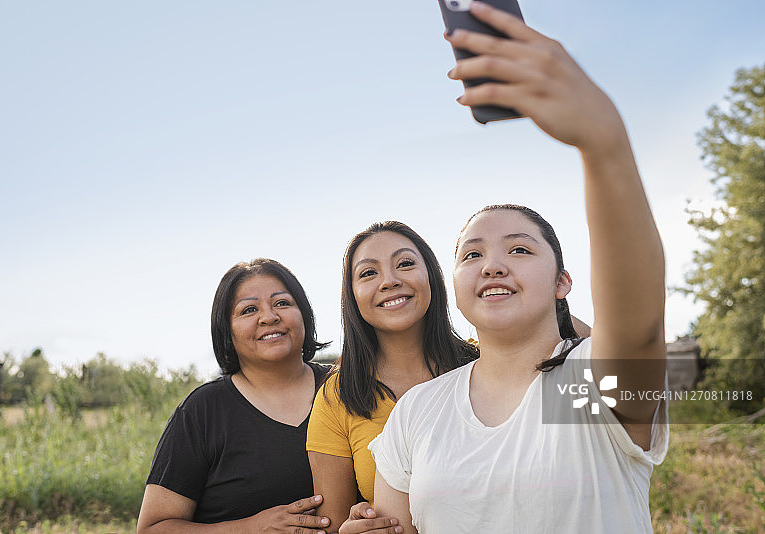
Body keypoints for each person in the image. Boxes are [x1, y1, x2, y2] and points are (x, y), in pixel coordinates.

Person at [368, 3, 669, 533]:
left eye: (521, 250)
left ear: (562, 282)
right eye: (472, 254)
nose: (493, 265)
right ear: (453, 286)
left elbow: (639, 314)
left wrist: (604, 142)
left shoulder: (594, 382)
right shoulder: (416, 411)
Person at [306, 222, 590, 533]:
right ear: (352, 295)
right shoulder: (341, 394)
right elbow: (330, 526)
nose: (389, 281)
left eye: (405, 264)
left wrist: (541, 296)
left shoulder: (488, 361)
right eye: (368, 273)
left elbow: (610, 358)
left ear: (435, 278)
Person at [137, 258, 333, 534]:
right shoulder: (202, 411)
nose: (268, 317)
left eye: (282, 303)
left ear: (304, 314)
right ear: (227, 331)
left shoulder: (345, 388)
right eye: (249, 310)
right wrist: (252, 528)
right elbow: (152, 529)